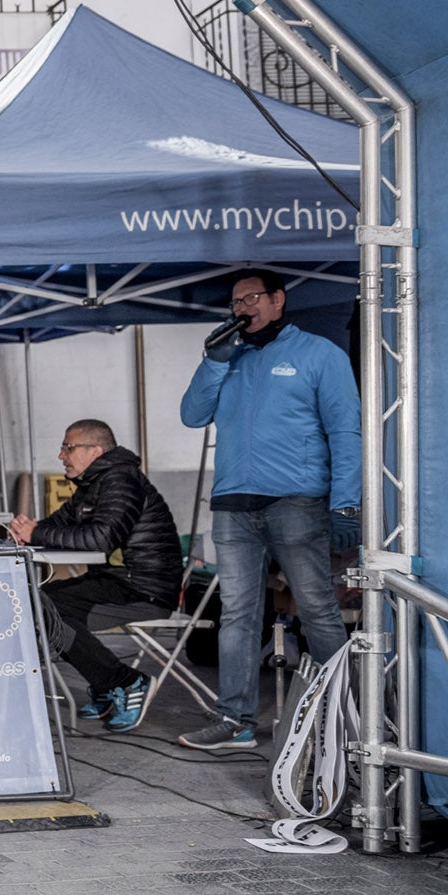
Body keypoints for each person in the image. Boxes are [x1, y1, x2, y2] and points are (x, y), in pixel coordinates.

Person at [179, 268, 361, 751]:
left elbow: (346, 432)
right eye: (236, 301)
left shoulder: (319, 355)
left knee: (318, 609)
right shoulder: (228, 357)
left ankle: (345, 715)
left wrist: (346, 503)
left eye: (252, 298)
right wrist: (213, 362)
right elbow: (192, 415)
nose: (242, 308)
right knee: (237, 614)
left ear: (278, 300)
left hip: (297, 501)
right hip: (233, 505)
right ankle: (234, 721)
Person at [8, 420, 180, 732]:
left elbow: (101, 538)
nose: (61, 455)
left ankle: (127, 682)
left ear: (95, 450)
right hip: (119, 581)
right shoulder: (94, 485)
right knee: (41, 604)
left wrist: (37, 532)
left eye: (68, 447)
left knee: (48, 610)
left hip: (144, 590)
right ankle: (106, 685)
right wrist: (29, 532)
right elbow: (59, 524)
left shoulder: (120, 481)